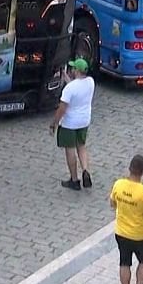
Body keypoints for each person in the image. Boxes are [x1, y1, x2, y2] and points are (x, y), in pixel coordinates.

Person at [109, 154, 143, 284]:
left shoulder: (118, 184)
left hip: (121, 232)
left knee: (124, 262)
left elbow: (112, 204)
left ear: (129, 169)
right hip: (140, 235)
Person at [51, 58, 95, 190]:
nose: (71, 70)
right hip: (84, 120)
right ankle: (86, 170)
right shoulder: (90, 82)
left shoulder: (69, 89)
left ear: (76, 70)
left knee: (70, 150)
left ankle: (74, 180)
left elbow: (62, 108)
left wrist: (54, 123)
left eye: (73, 68)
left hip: (70, 123)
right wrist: (67, 79)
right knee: (81, 146)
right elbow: (77, 88)